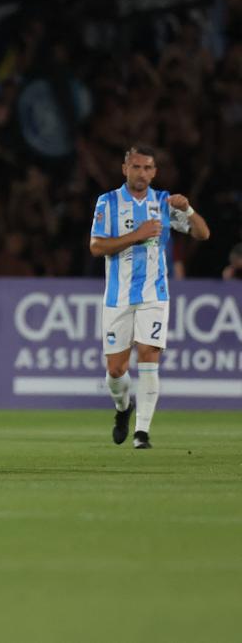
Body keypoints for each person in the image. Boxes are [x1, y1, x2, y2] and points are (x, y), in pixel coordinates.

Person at [89, 145, 210, 449]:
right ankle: (123, 408)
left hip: (154, 294)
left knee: (149, 353)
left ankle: (142, 432)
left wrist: (189, 210)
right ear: (125, 169)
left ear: (154, 172)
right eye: (136, 167)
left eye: (147, 168)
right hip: (118, 296)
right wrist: (137, 235)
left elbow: (202, 234)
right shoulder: (107, 202)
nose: (141, 173)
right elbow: (97, 247)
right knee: (116, 371)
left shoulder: (163, 203)